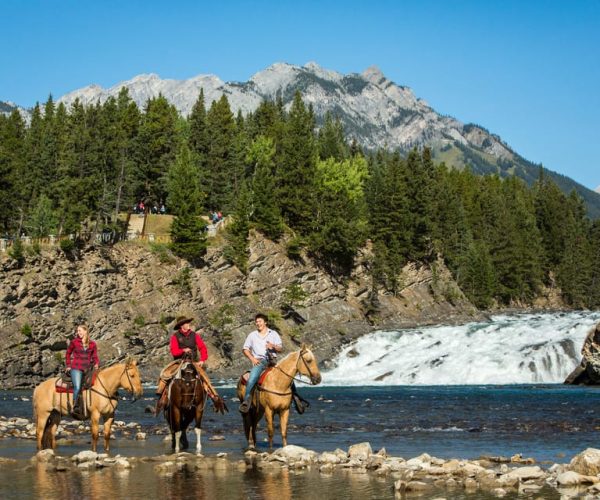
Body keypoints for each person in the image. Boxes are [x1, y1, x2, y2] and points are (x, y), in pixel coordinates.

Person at [239, 313, 309, 414]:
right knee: (252, 378)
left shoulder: (273, 334)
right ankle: (246, 401)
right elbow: (245, 349)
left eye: (260, 321)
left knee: (288, 377)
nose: (258, 323)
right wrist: (252, 359)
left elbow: (280, 349)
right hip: (259, 362)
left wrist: (273, 346)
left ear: (265, 322)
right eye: (256, 322)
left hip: (272, 361)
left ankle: (296, 399)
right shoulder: (252, 335)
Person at [155, 316, 219, 414]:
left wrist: (202, 360)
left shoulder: (195, 335)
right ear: (181, 325)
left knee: (204, 378)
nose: (188, 324)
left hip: (193, 361)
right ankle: (160, 400)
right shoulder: (175, 337)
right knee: (165, 374)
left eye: (188, 322)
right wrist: (183, 350)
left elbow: (202, 348)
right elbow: (174, 351)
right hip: (179, 362)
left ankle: (213, 398)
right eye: (186, 323)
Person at [65, 324, 99, 417]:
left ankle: (91, 406)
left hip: (88, 369)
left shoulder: (92, 344)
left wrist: (96, 363)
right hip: (76, 368)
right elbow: (68, 354)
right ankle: (75, 406)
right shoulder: (74, 342)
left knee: (94, 385)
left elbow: (95, 356)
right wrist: (68, 365)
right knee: (77, 386)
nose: (78, 333)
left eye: (80, 331)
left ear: (85, 331)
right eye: (77, 331)